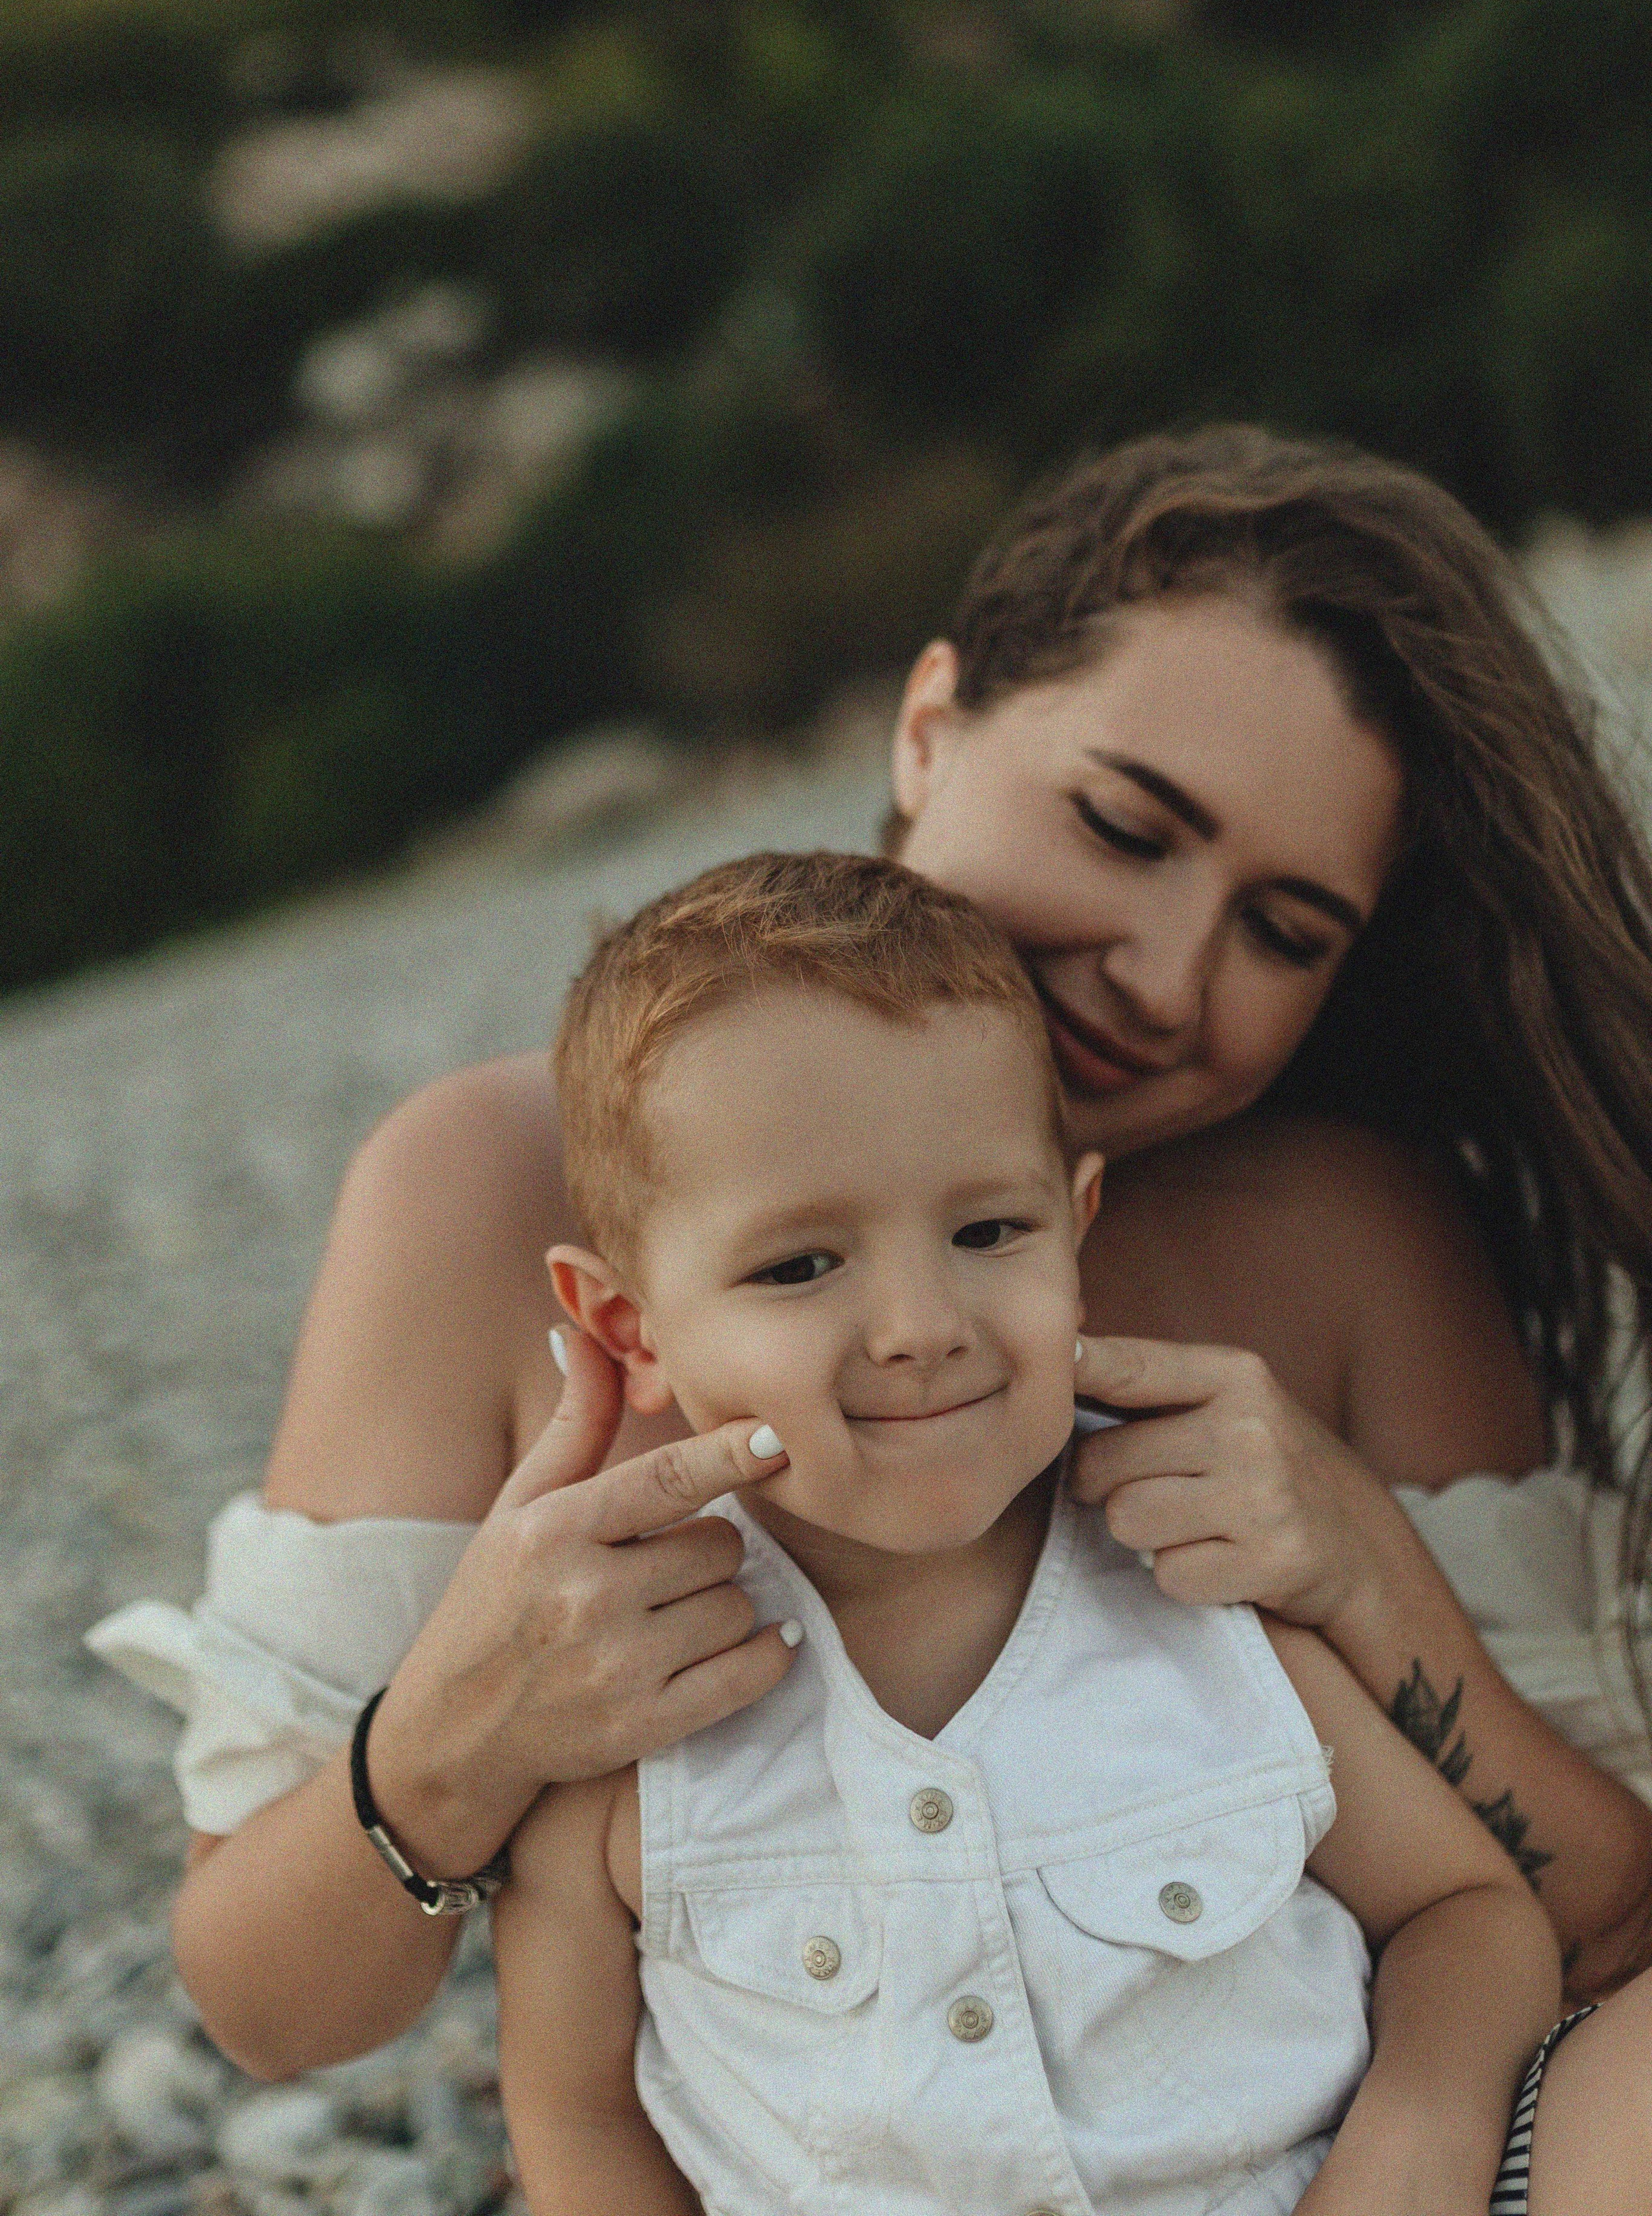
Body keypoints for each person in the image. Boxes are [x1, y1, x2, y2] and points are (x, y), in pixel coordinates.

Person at [89, 426, 1652, 2188]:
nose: (1164, 973)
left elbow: (1597, 1933)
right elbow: (274, 2018)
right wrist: (462, 1729)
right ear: (930, 726)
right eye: (1126, 827)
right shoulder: (489, 1182)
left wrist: (1370, 1574)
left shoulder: (1347, 1234)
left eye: (1283, 931)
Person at [493, 846, 1559, 2216]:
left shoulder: (1188, 1582)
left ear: (1076, 1228)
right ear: (630, 1332)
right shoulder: (620, 1703)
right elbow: (573, 2120)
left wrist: (1411, 2144)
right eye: (799, 1265)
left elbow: (1465, 1915)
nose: (921, 1327)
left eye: (988, 1230)